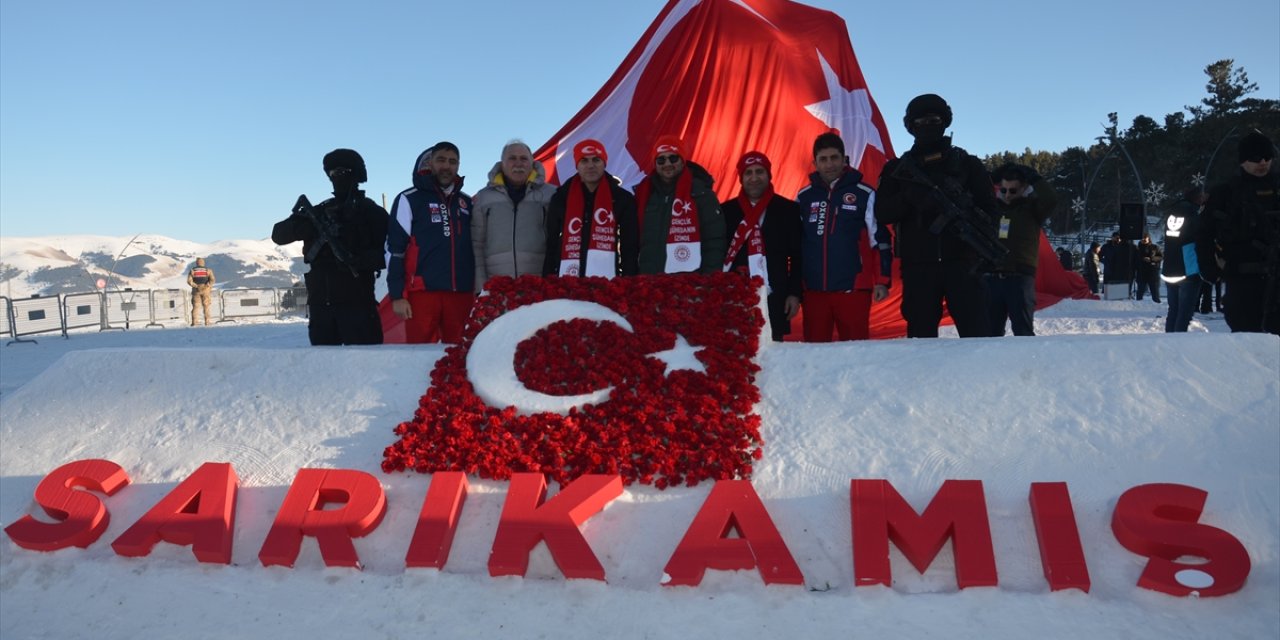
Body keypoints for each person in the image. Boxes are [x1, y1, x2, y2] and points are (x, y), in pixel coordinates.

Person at [876, 93, 996, 338]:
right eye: (919, 123)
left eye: (933, 120)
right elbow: (882, 212)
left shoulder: (968, 165)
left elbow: (992, 211)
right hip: (918, 268)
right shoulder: (896, 170)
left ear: (945, 122)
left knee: (978, 339)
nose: (927, 127)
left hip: (963, 265)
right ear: (910, 127)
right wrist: (909, 197)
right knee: (921, 342)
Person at [272, 148, 388, 346]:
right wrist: (302, 227)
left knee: (365, 367)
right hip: (321, 305)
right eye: (332, 174)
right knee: (323, 368)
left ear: (356, 174)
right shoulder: (319, 211)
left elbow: (390, 254)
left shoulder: (371, 213)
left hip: (358, 304)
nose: (336, 177)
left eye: (342, 172)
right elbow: (278, 235)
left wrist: (359, 260)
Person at [795, 134, 890, 341]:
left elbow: (880, 240)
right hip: (813, 291)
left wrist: (882, 281)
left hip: (853, 289)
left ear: (844, 159)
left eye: (834, 157)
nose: (829, 164)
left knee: (856, 352)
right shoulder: (804, 196)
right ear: (815, 163)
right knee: (815, 352)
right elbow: (795, 244)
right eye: (823, 159)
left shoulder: (864, 193)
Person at [387, 142, 476, 344]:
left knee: (460, 354)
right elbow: (395, 250)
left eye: (452, 162)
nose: (447, 166)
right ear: (431, 163)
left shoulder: (467, 202)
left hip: (460, 294)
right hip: (422, 294)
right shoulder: (409, 199)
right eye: (441, 160)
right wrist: (397, 295)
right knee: (418, 354)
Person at [1197, 131, 1280, 334]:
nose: (1262, 162)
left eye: (1267, 157)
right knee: (1247, 336)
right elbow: (1204, 234)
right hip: (1242, 278)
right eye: (1255, 157)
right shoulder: (1226, 193)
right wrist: (1209, 268)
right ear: (1243, 161)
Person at [721, 150, 804, 342]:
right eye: (748, 173)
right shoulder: (726, 211)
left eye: (760, 171)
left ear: (769, 175)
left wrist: (794, 294)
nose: (754, 178)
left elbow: (798, 257)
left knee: (773, 353)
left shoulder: (788, 210)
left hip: (776, 297)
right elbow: (719, 255)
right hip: (735, 295)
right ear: (741, 178)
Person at [544, 139, 639, 278]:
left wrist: (628, 281)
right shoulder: (560, 198)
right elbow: (551, 244)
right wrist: (548, 279)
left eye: (596, 160)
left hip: (610, 282)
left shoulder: (622, 199)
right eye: (584, 161)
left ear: (604, 163)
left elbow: (629, 246)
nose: (590, 166)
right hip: (567, 280)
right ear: (577, 165)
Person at [633, 135, 726, 274]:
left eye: (673, 158)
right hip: (650, 281)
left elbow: (715, 241)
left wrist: (709, 279)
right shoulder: (644, 194)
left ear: (683, 161)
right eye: (661, 160)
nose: (667, 164)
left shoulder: (702, 194)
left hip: (690, 284)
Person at [472, 140, 555, 291]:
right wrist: (480, 287)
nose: (518, 163)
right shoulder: (483, 198)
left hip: (540, 286)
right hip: (496, 288)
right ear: (502, 163)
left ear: (532, 163)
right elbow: (477, 244)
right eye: (512, 158)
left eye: (524, 158)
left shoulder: (551, 195)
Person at [985, 163, 1057, 336]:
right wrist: (990, 179)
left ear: (1024, 188)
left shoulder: (1032, 209)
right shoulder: (992, 209)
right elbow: (974, 193)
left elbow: (1051, 199)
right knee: (989, 334)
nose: (1008, 195)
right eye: (1004, 190)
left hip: (1020, 278)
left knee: (1023, 331)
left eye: (1013, 190)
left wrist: (1034, 177)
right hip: (992, 277)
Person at [1161, 188, 1206, 332]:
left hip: (1169, 268)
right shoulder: (1193, 214)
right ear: (1197, 198)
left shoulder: (1172, 213)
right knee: (1184, 313)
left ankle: (1169, 339)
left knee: (1173, 310)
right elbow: (1199, 237)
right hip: (1188, 269)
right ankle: (1178, 343)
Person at [1100, 232, 1136, 298]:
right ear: (1112, 238)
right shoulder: (1106, 246)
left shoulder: (1121, 247)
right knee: (1107, 288)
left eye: (1118, 238)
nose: (1117, 239)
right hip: (1108, 269)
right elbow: (1099, 256)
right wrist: (1106, 262)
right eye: (1116, 238)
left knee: (1117, 287)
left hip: (1118, 270)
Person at [186, 257, 215, 326]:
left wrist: (195, 285)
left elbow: (189, 281)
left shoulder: (193, 270)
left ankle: (194, 322)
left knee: (196, 307)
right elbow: (212, 279)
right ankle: (207, 322)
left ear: (197, 263)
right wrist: (208, 285)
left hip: (196, 291)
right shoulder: (208, 270)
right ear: (203, 262)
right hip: (206, 290)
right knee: (206, 306)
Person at [1135, 233, 1163, 302]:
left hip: (1152, 272)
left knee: (1155, 293)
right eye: (1142, 238)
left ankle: (1157, 305)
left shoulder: (1155, 247)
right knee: (1140, 292)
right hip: (1141, 272)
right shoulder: (1137, 248)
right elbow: (1134, 259)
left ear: (1149, 238)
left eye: (1145, 238)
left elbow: (1161, 257)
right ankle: (1138, 306)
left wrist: (1151, 259)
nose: (1144, 239)